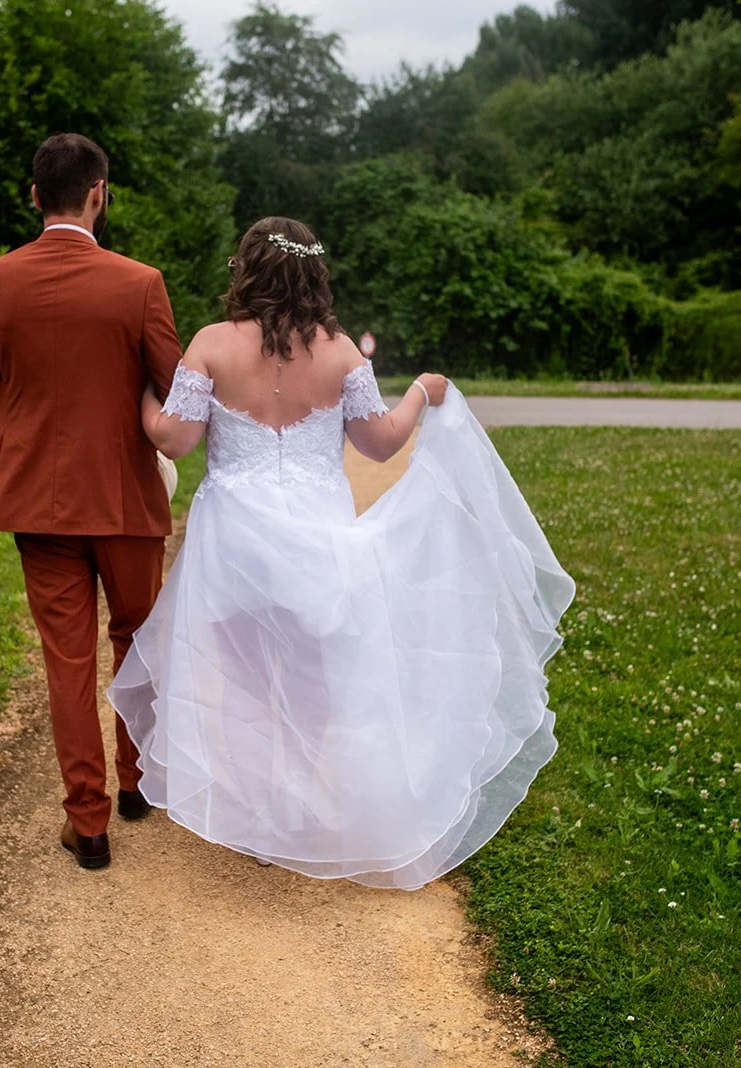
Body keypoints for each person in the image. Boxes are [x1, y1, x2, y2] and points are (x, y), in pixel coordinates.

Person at [108, 217, 576, 890]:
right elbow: (380, 443)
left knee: (241, 679)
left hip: (235, 539)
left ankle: (255, 818)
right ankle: (303, 804)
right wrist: (422, 390)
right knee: (312, 678)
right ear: (313, 274)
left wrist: (146, 395)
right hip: (317, 539)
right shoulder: (341, 354)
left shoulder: (212, 344)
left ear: (245, 270)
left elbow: (174, 440)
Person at [0, 133, 181, 871]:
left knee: (66, 659)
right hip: (126, 498)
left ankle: (89, 824)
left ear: (34, 196)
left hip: (38, 501)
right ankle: (137, 785)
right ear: (99, 194)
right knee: (137, 639)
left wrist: (13, 387)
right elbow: (176, 385)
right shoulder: (141, 283)